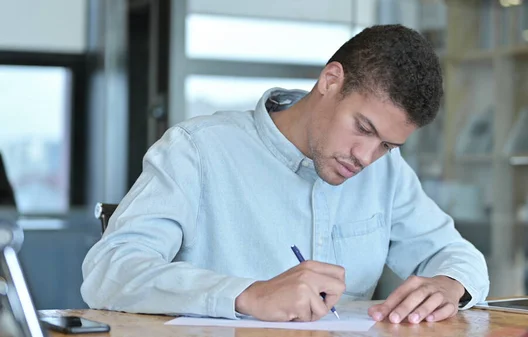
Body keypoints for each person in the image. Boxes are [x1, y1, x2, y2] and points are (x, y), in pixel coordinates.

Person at [81, 24, 489, 324]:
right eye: (363, 128)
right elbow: (110, 270)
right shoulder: (197, 150)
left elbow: (456, 254)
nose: (366, 157)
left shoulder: (386, 174)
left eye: (387, 145)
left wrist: (450, 284)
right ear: (331, 81)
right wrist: (247, 294)